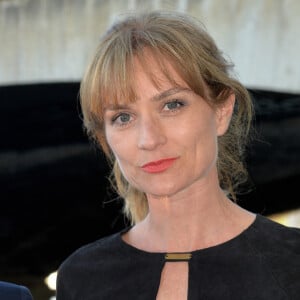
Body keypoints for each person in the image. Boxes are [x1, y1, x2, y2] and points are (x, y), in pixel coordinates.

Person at [56, 11, 300, 299]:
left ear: (221, 111)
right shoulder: (81, 277)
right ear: (105, 139)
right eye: (123, 117)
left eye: (171, 105)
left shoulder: (292, 264)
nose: (149, 139)